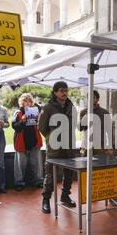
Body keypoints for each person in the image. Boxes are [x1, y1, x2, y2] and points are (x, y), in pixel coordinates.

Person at [38, 81, 77, 214]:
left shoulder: (71, 106)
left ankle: (65, 196)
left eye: (66, 90)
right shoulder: (48, 107)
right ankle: (46, 200)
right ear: (55, 92)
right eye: (61, 90)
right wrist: (51, 138)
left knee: (69, 173)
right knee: (50, 176)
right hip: (54, 148)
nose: (64, 93)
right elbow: (42, 127)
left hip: (69, 147)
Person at [12, 93, 44, 191]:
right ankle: (19, 182)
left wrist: (39, 119)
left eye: (29, 101)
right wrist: (22, 121)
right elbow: (15, 127)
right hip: (22, 141)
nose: (27, 103)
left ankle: (39, 181)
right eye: (25, 101)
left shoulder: (36, 111)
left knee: (37, 163)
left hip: (34, 140)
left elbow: (41, 126)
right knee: (20, 164)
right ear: (21, 102)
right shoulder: (18, 113)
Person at [79, 90, 113, 156]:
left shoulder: (104, 112)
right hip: (86, 147)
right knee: (85, 166)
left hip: (100, 147)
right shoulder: (83, 112)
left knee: (99, 165)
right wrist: (87, 114)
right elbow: (80, 128)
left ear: (97, 99)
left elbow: (109, 131)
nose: (91, 99)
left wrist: (110, 148)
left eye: (93, 97)